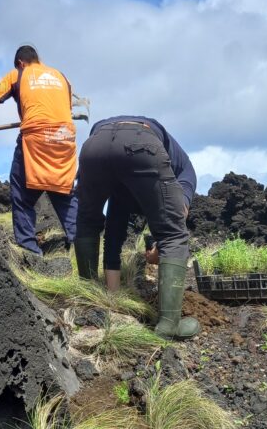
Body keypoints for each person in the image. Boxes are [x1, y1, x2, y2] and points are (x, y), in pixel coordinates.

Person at [73, 116, 199, 339]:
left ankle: (89, 306)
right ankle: (169, 325)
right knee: (174, 235)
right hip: (140, 143)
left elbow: (113, 238)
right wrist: (164, 245)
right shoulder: (181, 169)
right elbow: (177, 215)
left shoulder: (121, 193)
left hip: (95, 146)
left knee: (87, 223)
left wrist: (113, 301)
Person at [0, 46, 77, 255]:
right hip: (64, 138)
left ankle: (30, 251)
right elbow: (65, 110)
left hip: (36, 138)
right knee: (64, 192)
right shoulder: (62, 77)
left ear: (20, 63)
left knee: (22, 196)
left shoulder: (18, 74)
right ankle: (81, 245)